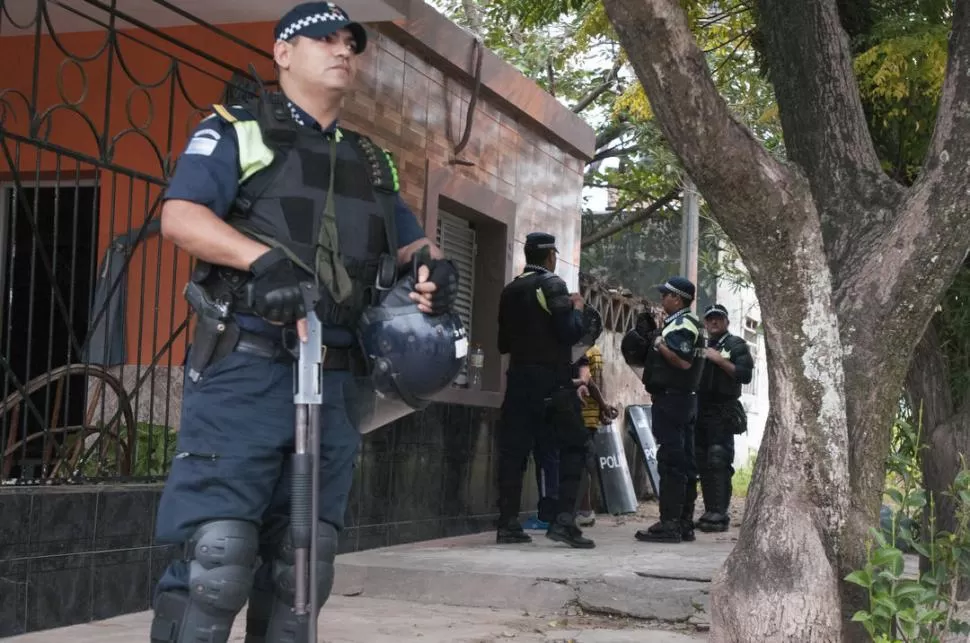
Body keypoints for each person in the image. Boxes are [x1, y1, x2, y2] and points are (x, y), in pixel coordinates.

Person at [148, 4, 457, 642]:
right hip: (246, 368)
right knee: (218, 560)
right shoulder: (237, 129)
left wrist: (432, 268)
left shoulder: (372, 162)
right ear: (283, 53)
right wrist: (259, 260)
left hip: (337, 384)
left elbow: (408, 245)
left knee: (302, 570)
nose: (341, 48)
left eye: (349, 41)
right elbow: (181, 217)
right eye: (321, 38)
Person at [495, 232, 596, 549]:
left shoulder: (510, 290)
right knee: (575, 445)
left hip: (518, 380)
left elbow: (502, 344)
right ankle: (563, 521)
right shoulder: (552, 285)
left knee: (514, 452)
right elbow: (569, 333)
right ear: (551, 256)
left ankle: (507, 524)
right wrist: (577, 309)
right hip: (552, 382)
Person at [634, 276, 705, 544]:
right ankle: (684, 523)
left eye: (666, 295)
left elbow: (683, 362)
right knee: (684, 461)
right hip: (684, 400)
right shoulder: (687, 322)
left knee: (671, 462)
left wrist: (659, 344)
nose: (662, 299)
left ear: (677, 298)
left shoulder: (682, 324)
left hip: (673, 401)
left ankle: (670, 524)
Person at [694, 304, 753, 532]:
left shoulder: (736, 344)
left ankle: (720, 513)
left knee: (718, 459)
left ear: (726, 321)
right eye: (710, 319)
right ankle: (709, 511)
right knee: (702, 460)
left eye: (718, 319)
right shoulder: (701, 344)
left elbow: (745, 375)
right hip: (700, 408)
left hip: (723, 409)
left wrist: (719, 360)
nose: (714, 323)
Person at [574, 344, 618, 526]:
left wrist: (603, 406)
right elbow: (601, 382)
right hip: (591, 416)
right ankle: (585, 509)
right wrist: (603, 407)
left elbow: (591, 383)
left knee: (581, 464)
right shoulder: (597, 351)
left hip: (582, 413)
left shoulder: (582, 352)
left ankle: (584, 509)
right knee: (585, 463)